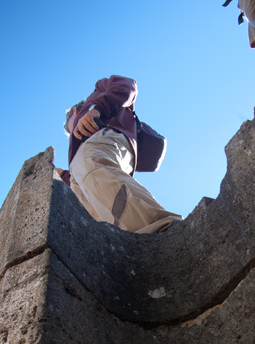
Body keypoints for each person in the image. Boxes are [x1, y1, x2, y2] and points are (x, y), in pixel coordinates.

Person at [65, 75, 183, 234]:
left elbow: (127, 85)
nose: (70, 132)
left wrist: (97, 109)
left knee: (93, 167)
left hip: (105, 139)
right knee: (100, 212)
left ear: (75, 111)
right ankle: (137, 244)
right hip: (88, 162)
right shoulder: (80, 157)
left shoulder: (97, 96)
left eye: (68, 128)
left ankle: (165, 230)